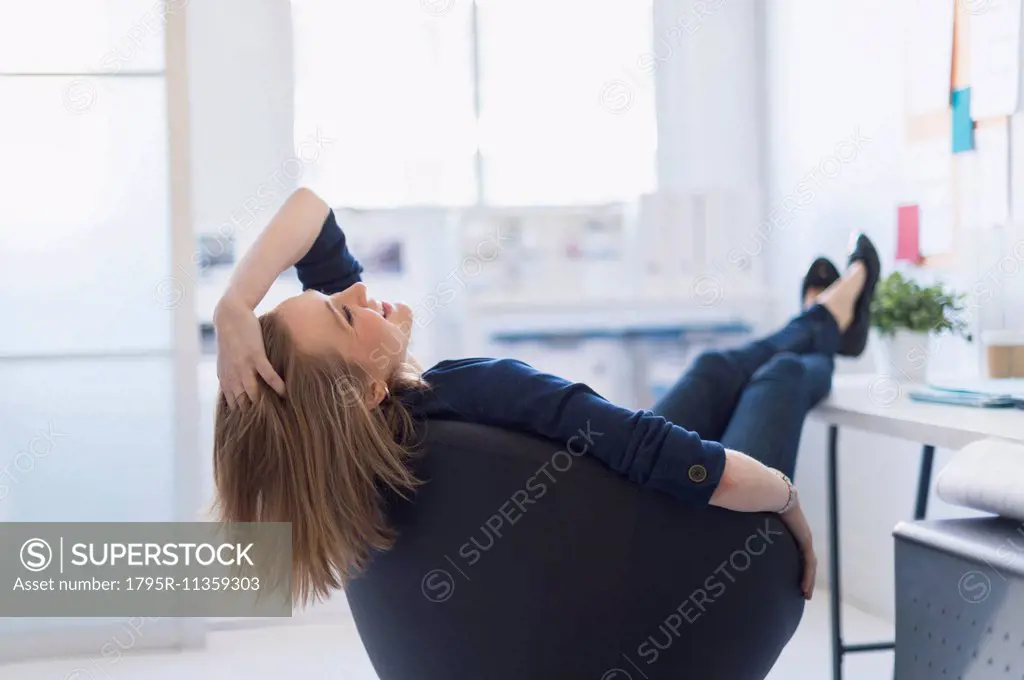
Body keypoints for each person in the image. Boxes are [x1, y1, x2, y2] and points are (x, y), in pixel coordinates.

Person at [211, 188, 880, 607]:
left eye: (333, 293)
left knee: (709, 369)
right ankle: (827, 321)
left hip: (621, 524)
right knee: (781, 376)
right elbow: (659, 454)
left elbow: (313, 216)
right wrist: (789, 503)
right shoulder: (475, 388)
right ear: (364, 393)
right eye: (344, 314)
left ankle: (825, 319)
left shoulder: (369, 443)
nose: (358, 292)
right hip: (688, 554)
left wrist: (237, 304)